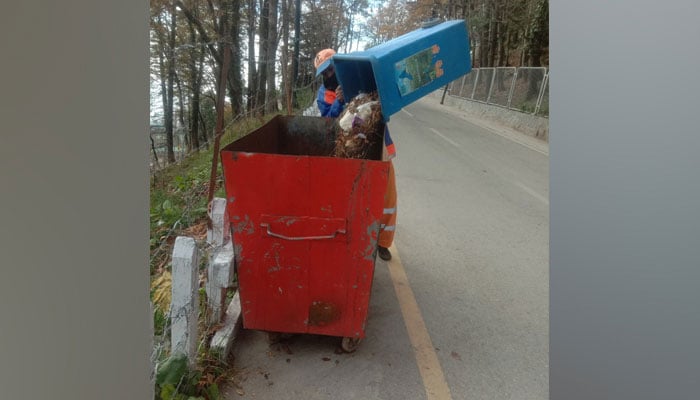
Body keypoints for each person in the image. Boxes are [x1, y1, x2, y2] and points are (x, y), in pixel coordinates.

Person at [314, 48, 397, 261]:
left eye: (330, 71)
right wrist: (339, 102)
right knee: (355, 193)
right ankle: (353, 235)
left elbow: (378, 108)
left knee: (387, 195)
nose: (328, 76)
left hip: (375, 143)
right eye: (324, 73)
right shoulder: (325, 94)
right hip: (348, 148)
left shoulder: (359, 75)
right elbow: (327, 121)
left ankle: (383, 242)